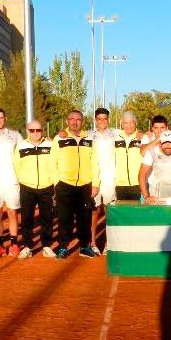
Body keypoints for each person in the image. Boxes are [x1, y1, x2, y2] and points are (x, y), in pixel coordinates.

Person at [50, 110, 100, 259]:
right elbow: (52, 162)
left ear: (82, 122)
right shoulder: (59, 138)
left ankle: (84, 246)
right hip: (64, 184)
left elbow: (95, 162)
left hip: (85, 185)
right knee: (64, 218)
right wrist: (57, 182)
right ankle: (63, 247)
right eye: (71, 119)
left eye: (78, 119)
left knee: (84, 217)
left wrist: (95, 183)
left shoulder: (89, 139)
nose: (75, 122)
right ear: (67, 121)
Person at [0, 108, 24, 258]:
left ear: (5, 118)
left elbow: (25, 151)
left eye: (1, 117)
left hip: (12, 181)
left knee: (13, 213)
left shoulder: (15, 135)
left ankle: (14, 244)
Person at [13, 120, 55, 259]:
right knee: (27, 219)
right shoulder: (21, 147)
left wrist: (53, 181)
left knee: (47, 218)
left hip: (47, 186)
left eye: (38, 130)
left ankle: (47, 246)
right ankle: (27, 247)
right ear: (27, 131)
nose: (35, 133)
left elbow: (56, 163)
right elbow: (16, 166)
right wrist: (23, 180)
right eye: (32, 130)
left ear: (42, 130)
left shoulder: (50, 145)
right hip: (27, 187)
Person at [88, 108, 117, 256]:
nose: (102, 121)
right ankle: (92, 243)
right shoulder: (88, 135)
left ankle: (108, 243)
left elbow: (132, 134)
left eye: (105, 118)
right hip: (94, 180)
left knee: (108, 212)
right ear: (95, 120)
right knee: (94, 212)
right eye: (99, 119)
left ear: (108, 119)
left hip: (110, 180)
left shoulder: (116, 134)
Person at [114, 111, 144, 201]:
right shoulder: (115, 138)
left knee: (136, 213)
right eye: (125, 123)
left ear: (135, 123)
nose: (129, 125)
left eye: (131, 122)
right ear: (122, 124)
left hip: (138, 184)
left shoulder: (142, 138)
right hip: (120, 184)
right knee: (122, 213)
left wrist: (144, 133)